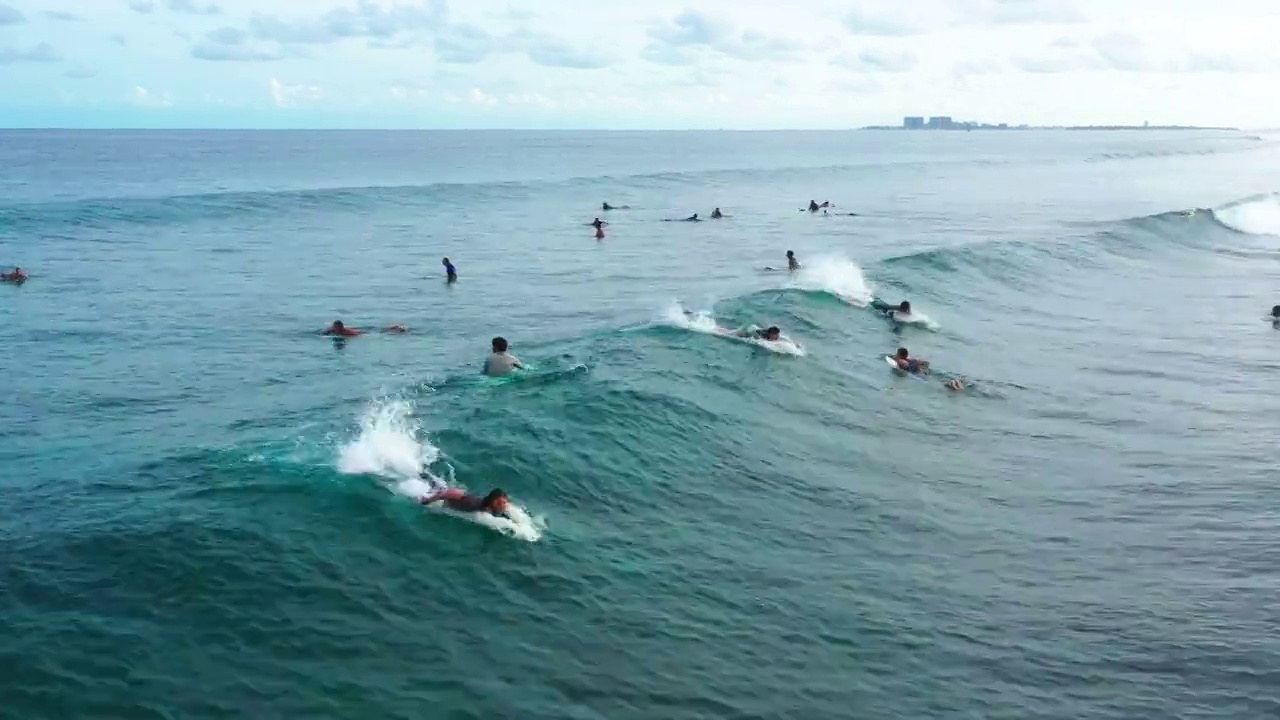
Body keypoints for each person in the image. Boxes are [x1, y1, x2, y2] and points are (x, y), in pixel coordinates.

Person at [420, 482, 511, 518]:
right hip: (446, 494)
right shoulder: (473, 504)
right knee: (428, 482)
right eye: (500, 503)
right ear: (492, 501)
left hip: (457, 495)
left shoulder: (495, 509)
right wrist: (427, 500)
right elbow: (449, 493)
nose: (503, 505)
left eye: (504, 503)